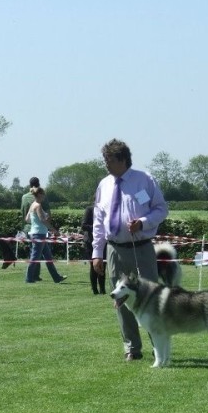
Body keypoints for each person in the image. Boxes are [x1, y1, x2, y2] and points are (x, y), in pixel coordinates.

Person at [91, 139, 168, 361]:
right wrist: (97, 253)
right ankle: (132, 348)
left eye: (110, 160)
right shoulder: (104, 185)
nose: (106, 164)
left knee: (150, 297)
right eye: (105, 159)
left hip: (141, 248)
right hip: (114, 249)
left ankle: (158, 346)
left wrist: (143, 223)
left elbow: (161, 209)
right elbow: (98, 222)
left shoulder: (144, 180)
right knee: (120, 298)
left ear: (123, 159)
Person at [25, 187, 67, 284]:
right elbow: (42, 220)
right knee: (35, 257)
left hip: (37, 233)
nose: (44, 196)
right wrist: (54, 230)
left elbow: (27, 219)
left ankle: (56, 277)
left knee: (48, 258)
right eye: (43, 194)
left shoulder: (32, 205)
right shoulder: (38, 205)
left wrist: (37, 221)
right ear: (40, 195)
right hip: (39, 234)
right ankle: (28, 278)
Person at [21, 177, 50, 281]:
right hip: (39, 228)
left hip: (28, 227)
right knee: (37, 254)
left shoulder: (24, 197)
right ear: (39, 184)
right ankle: (33, 276)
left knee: (34, 252)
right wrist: (50, 227)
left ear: (30, 184)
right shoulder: (42, 196)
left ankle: (54, 276)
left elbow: (23, 212)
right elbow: (47, 213)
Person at [81, 203, 106, 295]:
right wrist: (97, 228)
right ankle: (95, 289)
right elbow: (83, 225)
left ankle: (102, 289)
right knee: (93, 266)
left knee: (103, 265)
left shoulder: (106, 210)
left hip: (103, 241)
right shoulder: (90, 209)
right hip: (90, 242)